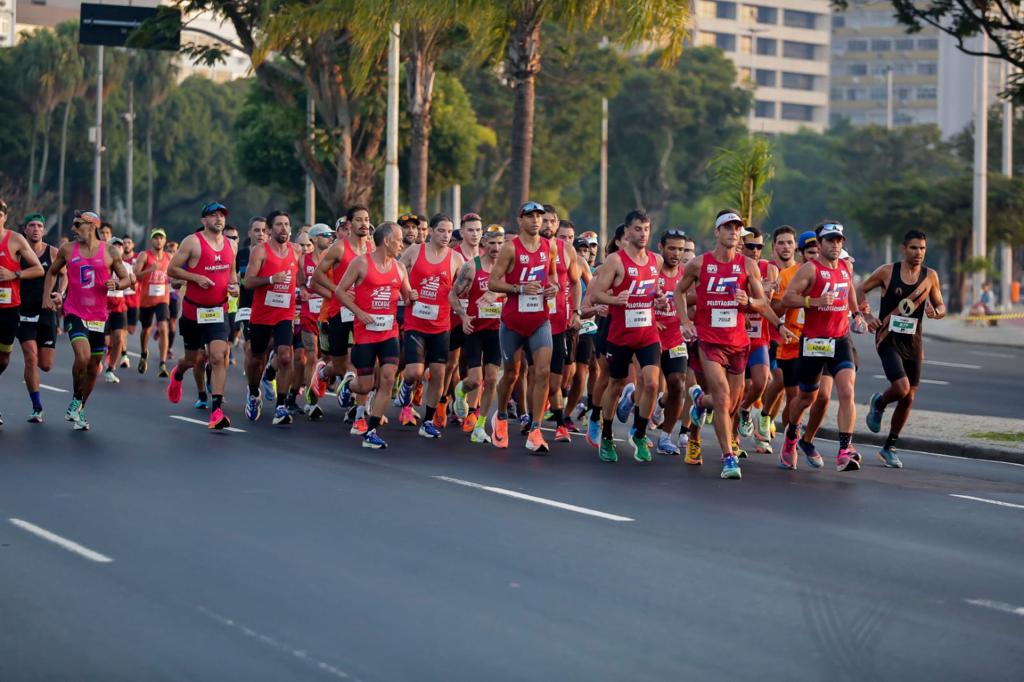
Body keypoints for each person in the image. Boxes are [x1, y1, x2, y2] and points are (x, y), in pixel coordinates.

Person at [675, 210, 795, 479]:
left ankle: (698, 401)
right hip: (709, 340)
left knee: (730, 403)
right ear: (717, 232)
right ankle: (728, 457)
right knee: (722, 396)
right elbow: (679, 291)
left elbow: (762, 302)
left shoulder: (748, 266)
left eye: (736, 228)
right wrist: (684, 321)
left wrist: (757, 308)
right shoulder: (699, 264)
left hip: (739, 343)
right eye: (727, 227)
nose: (732, 232)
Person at [780, 221, 865, 472]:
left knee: (847, 391)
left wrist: (857, 313)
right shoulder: (809, 269)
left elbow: (848, 289)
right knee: (807, 397)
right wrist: (814, 301)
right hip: (814, 342)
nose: (835, 245)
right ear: (819, 243)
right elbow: (787, 299)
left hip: (840, 339)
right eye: (830, 240)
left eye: (839, 240)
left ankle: (844, 450)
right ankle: (791, 436)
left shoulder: (846, 267)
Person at [858, 229, 946, 468]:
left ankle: (890, 447)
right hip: (887, 337)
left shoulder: (930, 276)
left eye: (922, 248)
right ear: (904, 249)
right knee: (901, 387)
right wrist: (867, 316)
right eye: (914, 248)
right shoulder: (888, 271)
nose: (918, 253)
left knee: (909, 397)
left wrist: (936, 312)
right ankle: (879, 403)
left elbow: (940, 305)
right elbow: (858, 290)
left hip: (913, 342)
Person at [589, 210, 666, 463]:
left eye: (646, 229)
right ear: (627, 231)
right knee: (617, 384)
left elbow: (653, 292)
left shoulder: (656, 260)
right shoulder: (615, 260)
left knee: (652, 383)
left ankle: (640, 433)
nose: (643, 234)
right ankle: (608, 434)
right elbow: (597, 295)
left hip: (648, 332)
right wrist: (615, 299)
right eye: (637, 229)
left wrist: (660, 300)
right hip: (620, 334)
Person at [42, 211, 131, 430]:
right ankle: (75, 398)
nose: (73, 228)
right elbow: (53, 272)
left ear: (91, 226)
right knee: (82, 357)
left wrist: (117, 285)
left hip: (99, 316)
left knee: (93, 367)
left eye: (77, 224)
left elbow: (127, 278)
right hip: (75, 311)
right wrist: (48, 297)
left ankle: (80, 408)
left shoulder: (109, 251)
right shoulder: (67, 249)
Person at [487, 202, 560, 452]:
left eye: (539, 216)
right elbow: (492, 283)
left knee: (542, 372)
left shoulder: (548, 246)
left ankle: (536, 430)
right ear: (520, 221)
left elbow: (552, 277)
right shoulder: (510, 248)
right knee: (511, 375)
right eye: (530, 216)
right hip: (513, 323)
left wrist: (554, 287)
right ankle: (502, 417)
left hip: (540, 320)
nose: (536, 220)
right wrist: (518, 288)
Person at [335, 222, 412, 448]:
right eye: (399, 239)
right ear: (386, 241)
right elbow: (340, 291)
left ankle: (371, 431)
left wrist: (412, 296)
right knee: (365, 386)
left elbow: (407, 297)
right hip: (365, 333)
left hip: (389, 332)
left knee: (388, 378)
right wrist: (359, 312)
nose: (402, 243)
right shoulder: (361, 263)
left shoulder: (399, 267)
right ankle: (349, 385)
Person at [166, 201, 238, 430]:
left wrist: (234, 287)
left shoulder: (231, 246)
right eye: (214, 215)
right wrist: (195, 278)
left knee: (218, 356)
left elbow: (232, 274)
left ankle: (216, 410)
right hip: (193, 311)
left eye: (222, 216)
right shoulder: (192, 242)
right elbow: (171, 270)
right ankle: (178, 373)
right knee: (193, 360)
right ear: (203, 220)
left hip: (218, 310)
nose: (219, 219)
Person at [396, 213, 465, 438]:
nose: (446, 236)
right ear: (432, 231)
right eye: (441, 231)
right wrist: (407, 291)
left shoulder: (456, 259)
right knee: (414, 371)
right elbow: (395, 271)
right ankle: (406, 386)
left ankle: (428, 421)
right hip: (415, 321)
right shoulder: (416, 251)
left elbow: (467, 283)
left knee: (438, 373)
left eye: (449, 231)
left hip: (441, 324)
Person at [310, 205, 372, 415]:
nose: (364, 224)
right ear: (349, 223)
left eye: (366, 219)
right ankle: (323, 372)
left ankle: (358, 408)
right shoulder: (339, 248)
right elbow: (317, 277)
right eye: (359, 220)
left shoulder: (372, 248)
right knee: (338, 366)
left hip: (363, 314)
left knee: (361, 361)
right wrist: (339, 291)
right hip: (338, 312)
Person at [243, 210, 302, 425]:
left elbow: (301, 278)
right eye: (279, 225)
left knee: (286, 356)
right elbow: (248, 282)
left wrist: (304, 289)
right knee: (256, 357)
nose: (284, 228)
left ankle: (281, 406)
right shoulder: (260, 251)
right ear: (269, 230)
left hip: (285, 313)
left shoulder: (296, 251)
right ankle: (253, 392)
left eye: (287, 224)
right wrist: (270, 278)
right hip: (262, 314)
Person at [450, 224, 506, 443]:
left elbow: (513, 294)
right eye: (492, 243)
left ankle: (480, 426)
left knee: (491, 379)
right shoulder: (471, 267)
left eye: (500, 243)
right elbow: (452, 296)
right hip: (474, 329)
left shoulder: (507, 270)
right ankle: (461, 391)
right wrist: (463, 317)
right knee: (475, 380)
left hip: (497, 331)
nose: (496, 248)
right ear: (483, 243)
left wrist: (499, 297)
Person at [0, 201, 46, 426]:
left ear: (4, 217)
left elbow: (38, 269)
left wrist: (13, 274)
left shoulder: (15, 239)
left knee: (4, 358)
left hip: (9, 309)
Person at [735, 226, 780, 455]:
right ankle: (733, 441)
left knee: (762, 381)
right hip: (736, 338)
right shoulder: (734, 268)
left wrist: (760, 294)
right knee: (738, 388)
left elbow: (767, 301)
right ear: (741, 246)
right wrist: (759, 292)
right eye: (750, 246)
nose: (755, 251)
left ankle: (745, 410)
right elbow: (743, 296)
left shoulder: (767, 268)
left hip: (760, 336)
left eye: (759, 247)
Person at [649, 229, 690, 456]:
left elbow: (693, 300)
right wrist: (652, 320)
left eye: (680, 249)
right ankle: (640, 430)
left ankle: (666, 437)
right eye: (672, 248)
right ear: (661, 247)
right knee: (650, 385)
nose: (676, 253)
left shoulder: (685, 276)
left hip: (675, 338)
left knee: (678, 384)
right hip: (650, 336)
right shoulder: (652, 272)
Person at [16, 213, 60, 423]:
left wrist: (61, 294)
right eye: (31, 225)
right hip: (23, 311)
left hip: (47, 312)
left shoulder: (53, 253)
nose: (35, 229)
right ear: (25, 230)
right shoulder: (18, 253)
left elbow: (66, 274)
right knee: (30, 359)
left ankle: (32, 380)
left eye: (39, 226)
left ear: (44, 230)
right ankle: (37, 407)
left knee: (46, 365)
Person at [298, 223, 333, 418]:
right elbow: (301, 285)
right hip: (309, 314)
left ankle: (317, 385)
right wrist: (303, 290)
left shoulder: (332, 259)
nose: (329, 238)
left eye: (330, 235)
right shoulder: (303, 260)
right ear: (314, 239)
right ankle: (311, 401)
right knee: (311, 355)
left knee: (327, 358)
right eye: (325, 235)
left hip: (327, 313)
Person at [134, 227, 172, 377]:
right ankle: (144, 353)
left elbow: (174, 273)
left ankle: (162, 364)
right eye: (156, 238)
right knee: (146, 330)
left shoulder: (169, 257)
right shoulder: (144, 256)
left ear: (165, 240)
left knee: (163, 327)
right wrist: (150, 270)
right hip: (146, 300)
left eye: (161, 238)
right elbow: (136, 276)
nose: (159, 240)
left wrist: (177, 280)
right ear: (151, 240)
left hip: (163, 298)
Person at [103, 237, 130, 384]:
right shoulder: (103, 264)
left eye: (120, 246)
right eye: (115, 246)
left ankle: (111, 369)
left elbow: (130, 284)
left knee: (119, 338)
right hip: (103, 305)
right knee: (106, 340)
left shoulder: (126, 266)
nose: (118, 249)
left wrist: (130, 281)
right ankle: (105, 355)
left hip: (119, 305)